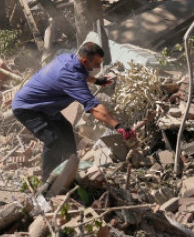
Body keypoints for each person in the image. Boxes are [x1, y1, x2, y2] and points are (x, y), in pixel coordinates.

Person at [12, 41, 136, 179]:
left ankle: (68, 174)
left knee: (66, 132)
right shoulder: (72, 78)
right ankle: (47, 185)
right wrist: (118, 126)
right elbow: (94, 107)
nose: (98, 66)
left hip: (44, 107)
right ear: (84, 61)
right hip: (27, 108)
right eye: (96, 64)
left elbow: (81, 73)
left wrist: (98, 81)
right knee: (54, 141)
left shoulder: (68, 58)